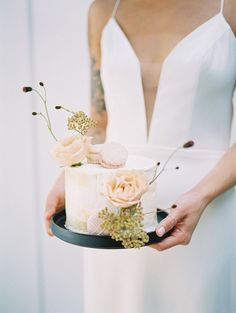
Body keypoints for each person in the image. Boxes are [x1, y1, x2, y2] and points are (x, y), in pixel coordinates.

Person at [45, 0, 236, 312]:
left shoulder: (229, 8)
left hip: (207, 212)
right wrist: (70, 175)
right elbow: (100, 118)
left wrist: (201, 196)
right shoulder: (103, 11)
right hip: (113, 214)